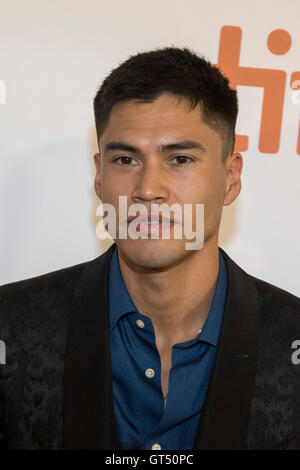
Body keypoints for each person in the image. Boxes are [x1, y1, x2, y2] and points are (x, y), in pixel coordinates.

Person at [0, 47, 299, 451]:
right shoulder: (10, 326)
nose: (147, 190)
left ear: (230, 178)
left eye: (179, 158)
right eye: (125, 159)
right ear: (99, 177)